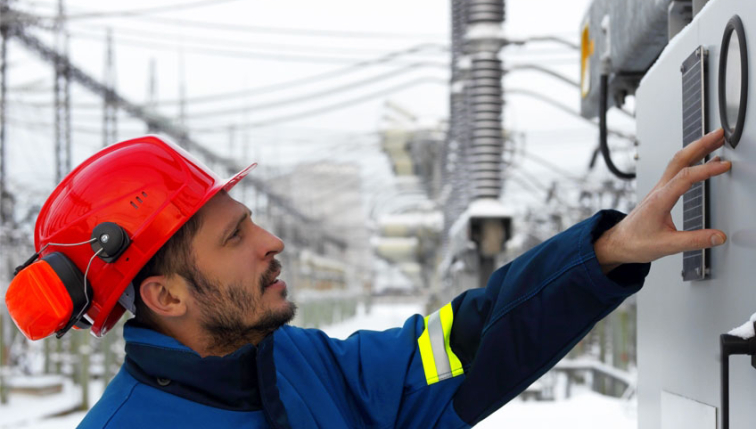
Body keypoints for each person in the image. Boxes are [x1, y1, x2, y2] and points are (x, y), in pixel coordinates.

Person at [5, 130, 730, 428]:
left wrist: (604, 252)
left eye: (251, 220)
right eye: (235, 236)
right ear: (165, 296)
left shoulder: (294, 361)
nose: (272, 240)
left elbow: (461, 343)